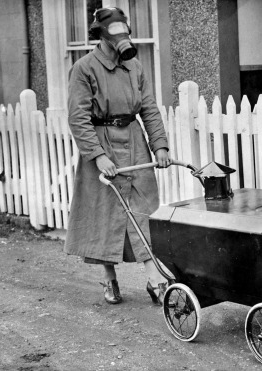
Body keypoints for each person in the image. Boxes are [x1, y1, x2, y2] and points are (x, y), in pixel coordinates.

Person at [64, 7, 171, 305]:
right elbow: (78, 118)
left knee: (143, 207)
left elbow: (148, 108)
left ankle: (154, 278)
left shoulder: (134, 66)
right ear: (101, 35)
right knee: (104, 210)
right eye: (115, 33)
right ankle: (108, 276)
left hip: (134, 139)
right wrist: (97, 156)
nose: (121, 38)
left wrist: (159, 145)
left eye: (125, 31)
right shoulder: (84, 68)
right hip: (102, 142)